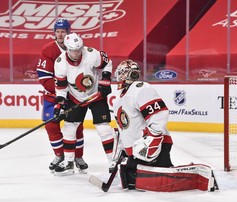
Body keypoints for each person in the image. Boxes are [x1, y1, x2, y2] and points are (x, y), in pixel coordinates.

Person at [113, 60, 218, 192]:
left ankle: (197, 177)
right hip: (136, 152)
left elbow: (159, 114)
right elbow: (125, 129)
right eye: (120, 73)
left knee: (163, 180)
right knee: (133, 182)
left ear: (131, 74)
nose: (120, 76)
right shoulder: (120, 99)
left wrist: (153, 140)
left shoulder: (140, 89)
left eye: (123, 73)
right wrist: (123, 150)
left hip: (152, 147)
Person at [53, 32, 115, 175]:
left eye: (79, 49)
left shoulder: (91, 54)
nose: (77, 52)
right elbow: (61, 88)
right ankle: (68, 162)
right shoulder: (60, 63)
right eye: (74, 50)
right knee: (69, 128)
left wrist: (105, 79)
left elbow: (107, 63)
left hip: (96, 96)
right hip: (75, 98)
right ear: (67, 49)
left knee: (103, 129)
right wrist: (59, 105)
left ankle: (112, 160)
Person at [36, 19, 88, 172]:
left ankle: (78, 156)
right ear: (54, 33)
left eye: (63, 31)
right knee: (51, 124)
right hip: (53, 95)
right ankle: (60, 155)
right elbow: (44, 78)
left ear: (68, 32)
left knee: (76, 126)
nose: (60, 34)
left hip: (74, 96)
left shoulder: (78, 46)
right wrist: (61, 92)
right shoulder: (48, 49)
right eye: (57, 31)